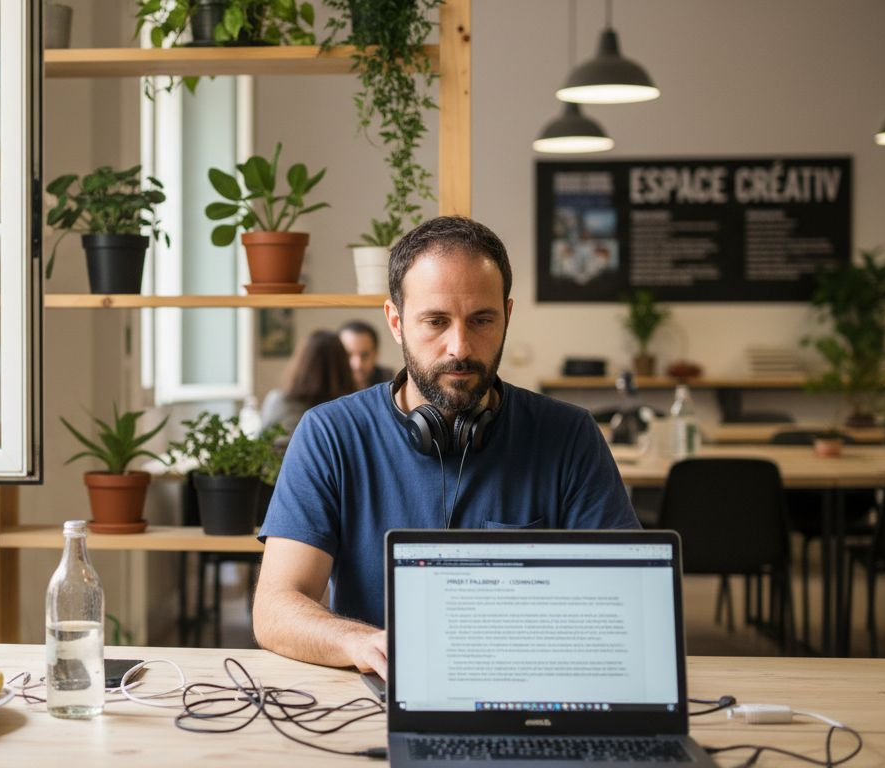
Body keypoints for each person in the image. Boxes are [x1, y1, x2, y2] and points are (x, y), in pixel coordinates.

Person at [253, 216, 639, 679]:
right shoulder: (330, 434)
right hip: (374, 693)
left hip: (528, 687)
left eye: (481, 320)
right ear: (396, 323)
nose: (460, 346)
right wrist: (359, 641)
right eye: (435, 321)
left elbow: (626, 601)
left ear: (507, 317)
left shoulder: (570, 435)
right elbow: (275, 606)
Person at [260, 330, 356, 440]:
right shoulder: (350, 408)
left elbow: (261, 442)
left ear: (302, 362)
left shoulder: (278, 401)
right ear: (343, 366)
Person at [338, 320, 395, 391]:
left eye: (364, 355)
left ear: (375, 354)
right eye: (348, 355)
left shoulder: (390, 383)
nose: (357, 365)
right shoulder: (326, 387)